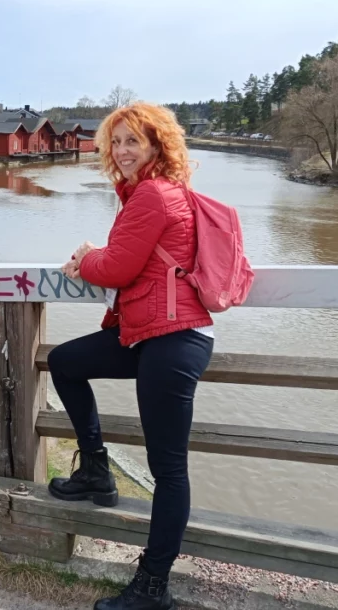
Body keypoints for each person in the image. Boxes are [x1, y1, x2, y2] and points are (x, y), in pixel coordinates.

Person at [48, 103, 214, 610]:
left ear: (156, 147)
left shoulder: (152, 195)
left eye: (132, 142)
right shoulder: (150, 194)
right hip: (149, 335)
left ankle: (152, 586)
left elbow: (117, 268)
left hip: (171, 340)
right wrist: (101, 256)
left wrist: (85, 257)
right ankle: (96, 468)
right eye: (114, 142)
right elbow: (133, 259)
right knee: (65, 362)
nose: (120, 151)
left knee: (168, 469)